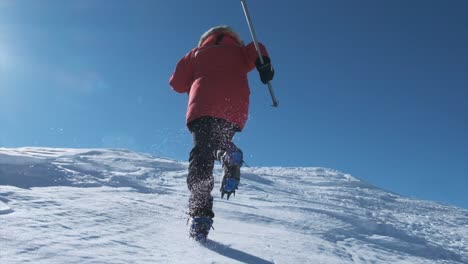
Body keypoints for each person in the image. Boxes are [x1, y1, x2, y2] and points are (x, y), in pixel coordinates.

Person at [169, 25, 274, 241]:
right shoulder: (240, 51)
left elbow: (177, 84)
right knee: (214, 143)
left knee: (201, 158)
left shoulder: (196, 54)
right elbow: (256, 49)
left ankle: (200, 215)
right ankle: (226, 153)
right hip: (233, 109)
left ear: (205, 39)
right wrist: (264, 65)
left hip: (204, 106)